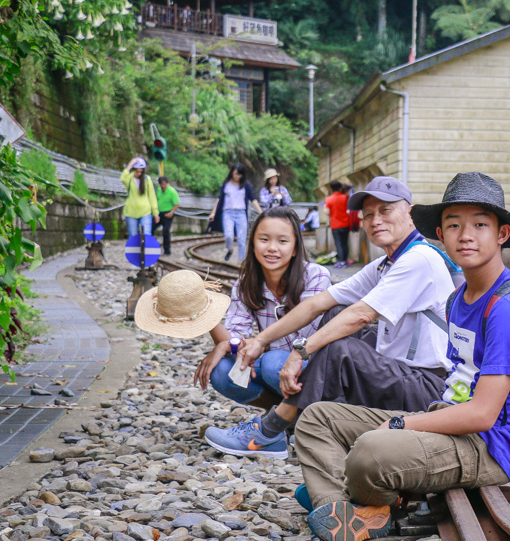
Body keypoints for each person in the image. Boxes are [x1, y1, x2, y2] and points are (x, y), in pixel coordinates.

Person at [290, 171, 510, 541]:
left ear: (501, 235)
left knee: (369, 451)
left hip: (487, 446)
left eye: (480, 224)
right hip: (444, 418)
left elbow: (482, 414)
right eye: (454, 225)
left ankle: (348, 496)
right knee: (315, 419)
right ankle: (342, 509)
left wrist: (402, 423)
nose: (466, 235)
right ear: (440, 236)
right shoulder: (461, 300)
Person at [201, 176, 456, 460]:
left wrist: (300, 351)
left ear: (410, 212)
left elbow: (361, 315)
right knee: (334, 314)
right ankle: (316, 419)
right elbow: (318, 304)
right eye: (368, 214)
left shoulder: (417, 259)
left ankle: (269, 431)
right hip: (403, 375)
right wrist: (261, 340)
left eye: (386, 211)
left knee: (338, 345)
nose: (375, 221)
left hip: (428, 389)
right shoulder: (386, 263)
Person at [186, 208, 332, 448]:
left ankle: (308, 417)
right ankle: (291, 418)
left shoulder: (316, 276)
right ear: (253, 244)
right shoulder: (246, 284)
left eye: (282, 241)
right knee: (222, 372)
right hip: (278, 369)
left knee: (273, 362)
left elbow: (305, 341)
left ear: (295, 248)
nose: (272, 248)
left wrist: (258, 346)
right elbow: (236, 339)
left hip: (317, 369)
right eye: (264, 239)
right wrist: (211, 323)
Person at [207, 163, 262, 263]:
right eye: (235, 174)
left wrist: (261, 212)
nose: (237, 176)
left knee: (242, 240)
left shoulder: (246, 185)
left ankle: (241, 262)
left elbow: (253, 199)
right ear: (232, 173)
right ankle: (230, 249)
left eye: (239, 174)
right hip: (228, 213)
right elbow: (219, 199)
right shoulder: (226, 184)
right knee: (229, 235)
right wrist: (213, 213)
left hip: (241, 214)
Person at [120, 157, 159, 240]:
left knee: (147, 236)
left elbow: (152, 196)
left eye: (141, 171)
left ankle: (146, 253)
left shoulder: (147, 179)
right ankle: (135, 253)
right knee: (132, 238)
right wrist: (130, 164)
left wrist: (155, 213)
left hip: (145, 212)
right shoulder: (129, 179)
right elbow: (122, 178)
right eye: (137, 171)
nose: (139, 173)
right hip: (131, 212)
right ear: (133, 170)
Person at [324, 180, 352, 268]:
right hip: (346, 223)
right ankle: (345, 260)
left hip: (335, 224)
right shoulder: (345, 197)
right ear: (340, 188)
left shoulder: (329, 198)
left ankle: (341, 261)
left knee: (338, 243)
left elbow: (327, 212)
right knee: (345, 242)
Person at [154, 176, 180, 256]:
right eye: (161, 184)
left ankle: (167, 250)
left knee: (165, 231)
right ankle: (151, 247)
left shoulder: (172, 191)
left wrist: (171, 212)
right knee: (151, 228)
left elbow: (177, 204)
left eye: (164, 184)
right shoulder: (159, 190)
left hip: (168, 213)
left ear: (167, 183)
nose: (163, 186)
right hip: (159, 213)